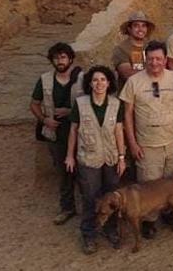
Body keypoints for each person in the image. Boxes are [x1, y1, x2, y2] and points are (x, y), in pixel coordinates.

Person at [120, 40, 173, 238]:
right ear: (145, 59)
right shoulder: (134, 82)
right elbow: (127, 115)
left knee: (170, 183)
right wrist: (132, 143)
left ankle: (169, 214)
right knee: (148, 186)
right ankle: (149, 220)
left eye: (158, 58)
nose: (154, 63)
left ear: (166, 59)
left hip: (172, 141)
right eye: (150, 59)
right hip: (147, 144)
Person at [64, 66, 127, 254]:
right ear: (89, 83)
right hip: (88, 158)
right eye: (95, 80)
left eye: (103, 80)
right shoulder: (81, 103)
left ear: (109, 83)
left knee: (112, 197)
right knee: (90, 197)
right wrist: (69, 155)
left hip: (111, 158)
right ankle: (89, 234)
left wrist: (122, 157)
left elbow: (118, 131)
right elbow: (73, 130)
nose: (99, 83)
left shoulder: (116, 104)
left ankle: (111, 230)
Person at [29, 42, 83, 225]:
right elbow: (34, 103)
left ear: (70, 59)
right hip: (56, 135)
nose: (60, 61)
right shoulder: (45, 80)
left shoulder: (82, 78)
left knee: (85, 172)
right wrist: (44, 120)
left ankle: (89, 209)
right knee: (64, 173)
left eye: (63, 57)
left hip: (81, 134)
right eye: (56, 58)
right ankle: (67, 208)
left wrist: (70, 112)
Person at [111, 10, 155, 91]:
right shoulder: (121, 49)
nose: (140, 29)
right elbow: (128, 74)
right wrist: (154, 73)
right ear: (129, 29)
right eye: (136, 26)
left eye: (143, 26)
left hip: (151, 92)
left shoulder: (151, 46)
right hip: (131, 94)